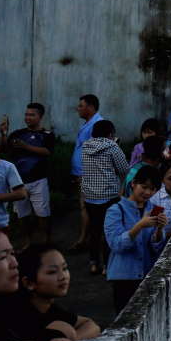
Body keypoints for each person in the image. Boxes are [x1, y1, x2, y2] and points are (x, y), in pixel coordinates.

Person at [0, 244, 100, 341]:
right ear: (29, 283)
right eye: (52, 272)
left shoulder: (47, 309)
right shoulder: (13, 311)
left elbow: (91, 326)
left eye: (65, 268)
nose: (63, 276)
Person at [104, 165, 168, 314]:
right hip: (124, 278)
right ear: (133, 183)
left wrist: (159, 229)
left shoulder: (153, 210)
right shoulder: (115, 210)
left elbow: (157, 247)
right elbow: (116, 244)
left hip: (148, 274)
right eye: (144, 186)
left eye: (152, 189)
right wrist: (139, 225)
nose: (147, 192)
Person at [0, 103, 54, 250]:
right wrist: (3, 135)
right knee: (22, 214)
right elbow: (3, 148)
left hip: (38, 180)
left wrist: (25, 147)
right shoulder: (17, 134)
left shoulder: (47, 135)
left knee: (43, 213)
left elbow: (47, 152)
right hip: (18, 182)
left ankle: (45, 243)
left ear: (40, 117)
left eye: (31, 115)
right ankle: (28, 242)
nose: (27, 117)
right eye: (26, 114)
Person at [81, 120, 129, 276]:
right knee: (111, 230)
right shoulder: (113, 147)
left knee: (95, 229)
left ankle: (94, 264)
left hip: (89, 196)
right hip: (109, 195)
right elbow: (123, 169)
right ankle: (107, 266)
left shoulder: (85, 146)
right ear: (110, 133)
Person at [68, 94, 102, 254]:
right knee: (86, 206)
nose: (78, 109)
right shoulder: (88, 124)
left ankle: (84, 240)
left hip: (88, 173)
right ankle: (87, 238)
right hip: (82, 173)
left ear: (91, 107)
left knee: (86, 207)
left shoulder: (96, 125)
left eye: (81, 106)